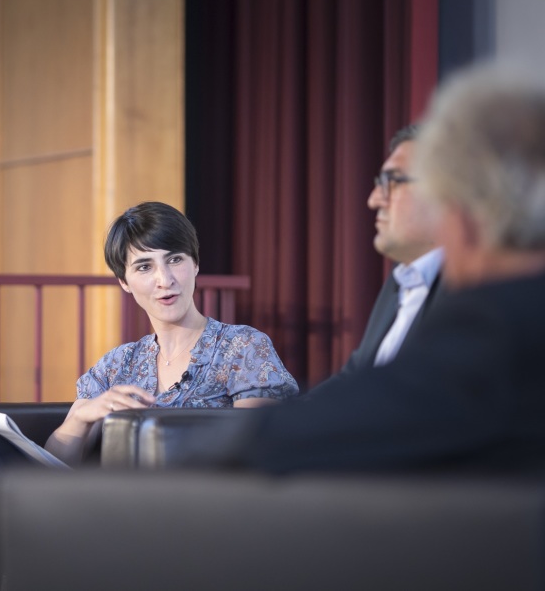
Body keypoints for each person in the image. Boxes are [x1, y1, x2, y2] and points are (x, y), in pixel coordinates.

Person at [0, 201, 299, 590]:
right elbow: (56, 466)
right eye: (144, 266)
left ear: (195, 263)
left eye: (175, 259)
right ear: (125, 282)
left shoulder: (242, 346)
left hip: (187, 511)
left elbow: (256, 446)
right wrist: (81, 417)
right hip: (100, 507)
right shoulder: (118, 364)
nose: (165, 279)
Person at [233, 63, 545, 474]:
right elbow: (360, 384)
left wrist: (227, 442)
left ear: (461, 208)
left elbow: (398, 408)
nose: (373, 201)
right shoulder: (401, 287)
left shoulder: (499, 318)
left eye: (392, 180)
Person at [334, 124, 444, 376]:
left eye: (392, 181)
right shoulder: (401, 278)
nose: (373, 200)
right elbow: (355, 376)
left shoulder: (478, 290)